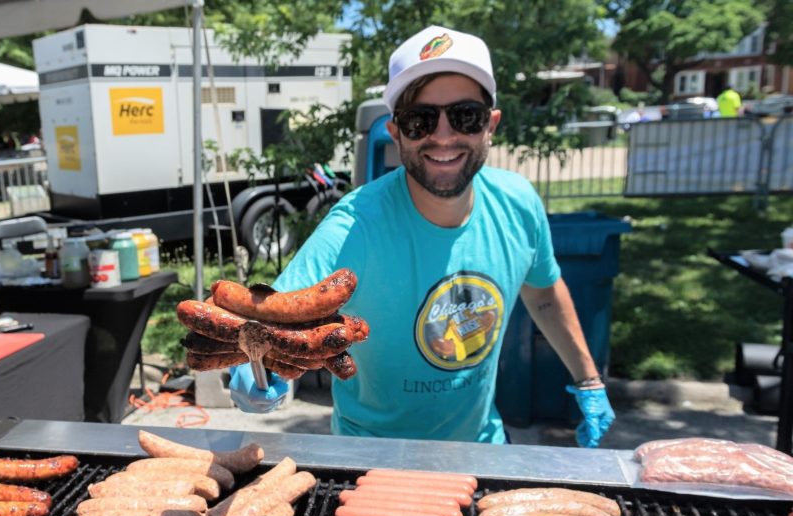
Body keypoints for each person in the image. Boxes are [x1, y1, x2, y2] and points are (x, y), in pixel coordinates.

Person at [229, 26, 615, 448]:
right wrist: (256, 364)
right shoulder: (355, 225)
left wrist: (589, 381)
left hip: (482, 450)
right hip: (369, 460)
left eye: (466, 115)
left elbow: (543, 292)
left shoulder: (518, 204)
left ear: (491, 124)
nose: (444, 135)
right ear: (396, 133)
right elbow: (274, 315)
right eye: (420, 120)